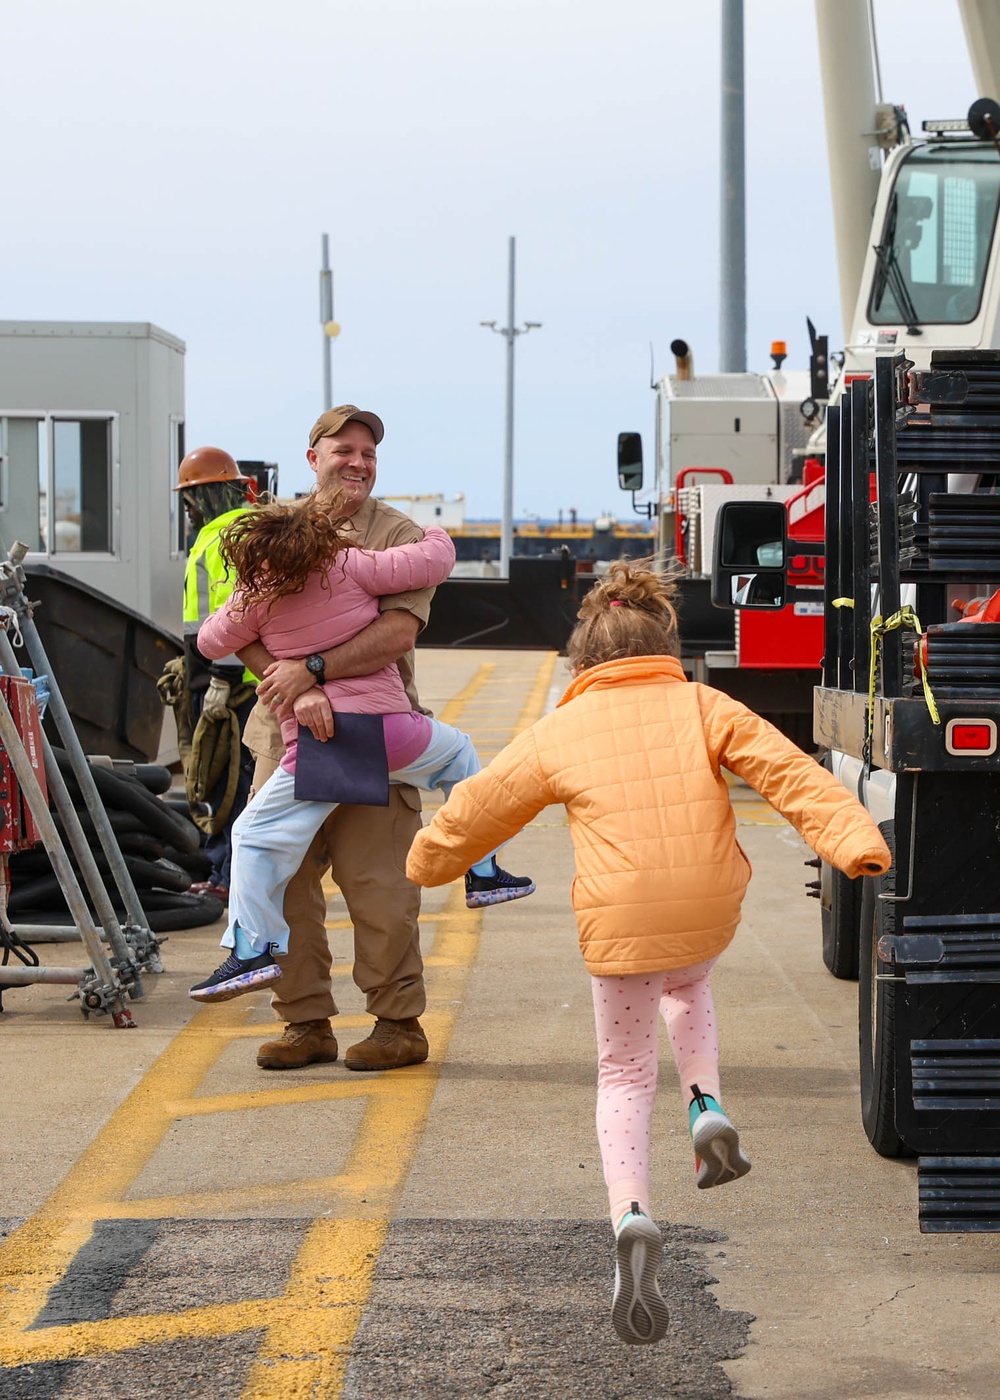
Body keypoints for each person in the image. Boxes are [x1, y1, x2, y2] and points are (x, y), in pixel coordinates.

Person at [404, 560, 892, 1347]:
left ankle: (631, 1212)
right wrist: (856, 844)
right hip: (705, 905)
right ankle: (707, 1105)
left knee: (624, 1071)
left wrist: (427, 860)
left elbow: (478, 808)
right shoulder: (706, 704)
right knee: (689, 984)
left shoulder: (561, 727)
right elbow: (794, 778)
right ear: (662, 640)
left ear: (584, 659)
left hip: (621, 918)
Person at [188, 489, 534, 1004]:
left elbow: (209, 641)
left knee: (254, 836)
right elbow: (433, 559)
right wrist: (436, 534)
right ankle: (483, 873)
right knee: (463, 758)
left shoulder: (256, 598)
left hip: (327, 747)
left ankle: (253, 949)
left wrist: (245, 593)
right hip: (396, 732)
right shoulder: (349, 564)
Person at [227, 405, 456, 1073]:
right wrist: (297, 688)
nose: (357, 461)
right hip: (287, 735)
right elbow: (240, 630)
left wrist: (317, 669)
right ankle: (305, 1023)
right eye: (343, 449)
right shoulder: (275, 530)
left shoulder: (398, 534)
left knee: (378, 884)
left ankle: (397, 1025)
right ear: (313, 458)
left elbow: (398, 633)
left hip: (371, 736)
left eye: (369, 452)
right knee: (283, 880)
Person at [175, 446, 258, 902]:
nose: (188, 508)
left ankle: (226, 876)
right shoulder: (215, 533)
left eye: (192, 497)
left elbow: (236, 614)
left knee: (229, 781)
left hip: (229, 687)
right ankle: (219, 868)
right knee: (215, 776)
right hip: (208, 675)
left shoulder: (232, 534)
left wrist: (223, 680)